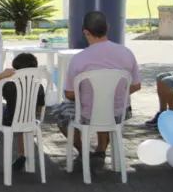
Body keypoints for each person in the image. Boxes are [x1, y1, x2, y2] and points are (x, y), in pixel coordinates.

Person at [52, 11, 141, 161]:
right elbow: (136, 85)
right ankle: (100, 149)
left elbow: (69, 94)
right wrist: (113, 94)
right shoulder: (127, 53)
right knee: (105, 104)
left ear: (85, 32)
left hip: (88, 115)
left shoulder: (78, 59)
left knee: (60, 112)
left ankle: (83, 151)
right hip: (119, 113)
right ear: (108, 27)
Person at [0, 52, 46, 171]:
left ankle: (22, 154)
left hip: (7, 120)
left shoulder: (7, 84)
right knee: (22, 117)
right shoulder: (39, 87)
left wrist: (2, 75)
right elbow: (39, 108)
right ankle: (23, 154)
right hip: (29, 120)